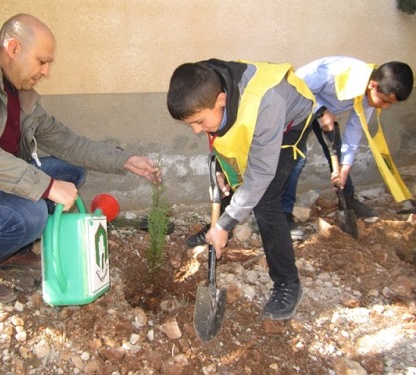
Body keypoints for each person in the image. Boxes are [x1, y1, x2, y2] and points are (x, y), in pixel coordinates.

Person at [0, 14, 160, 304]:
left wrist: (123, 160)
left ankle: (9, 249)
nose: (46, 72)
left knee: (69, 172)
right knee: (31, 215)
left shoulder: (21, 93)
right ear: (14, 48)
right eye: (42, 61)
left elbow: (66, 141)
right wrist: (44, 185)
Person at [167, 59, 315, 320]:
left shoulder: (269, 102)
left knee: (266, 199)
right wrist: (222, 169)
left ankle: (287, 283)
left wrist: (226, 223)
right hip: (249, 117)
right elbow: (222, 135)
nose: (195, 130)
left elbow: (260, 174)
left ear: (222, 99)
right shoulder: (202, 83)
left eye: (199, 122)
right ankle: (220, 227)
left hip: (289, 124)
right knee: (228, 175)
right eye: (190, 123)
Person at [281, 57, 414, 228]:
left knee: (338, 153)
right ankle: (283, 211)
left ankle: (347, 199)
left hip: (326, 114)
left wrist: (345, 167)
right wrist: (321, 110)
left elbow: (355, 129)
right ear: (373, 85)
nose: (385, 107)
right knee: (297, 159)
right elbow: (296, 86)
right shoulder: (334, 74)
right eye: (385, 101)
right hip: (298, 108)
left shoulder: (370, 94)